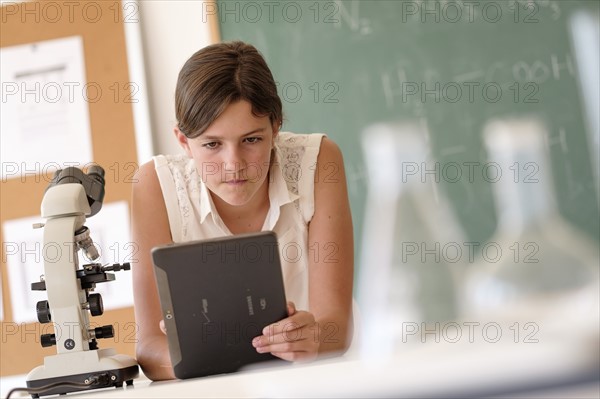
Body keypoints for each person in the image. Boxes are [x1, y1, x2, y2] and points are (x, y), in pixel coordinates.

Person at [131, 41, 354, 381]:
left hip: (318, 382)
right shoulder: (155, 185)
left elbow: (336, 327)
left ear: (275, 126)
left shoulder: (320, 161)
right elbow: (148, 348)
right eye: (212, 144)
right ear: (182, 141)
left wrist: (313, 339)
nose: (233, 165)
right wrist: (194, 355)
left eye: (252, 140)